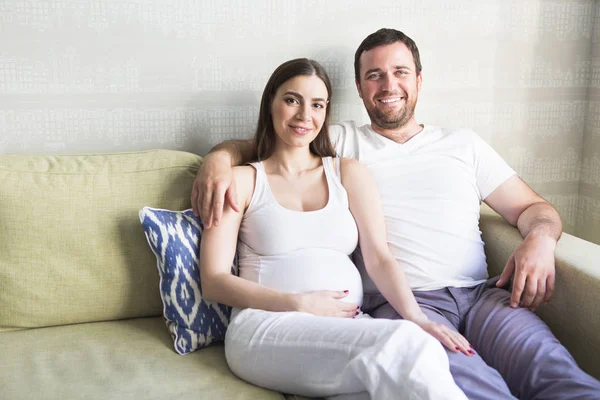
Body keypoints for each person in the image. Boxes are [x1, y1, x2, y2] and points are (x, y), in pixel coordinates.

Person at [194, 29, 600, 399]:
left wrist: (540, 239)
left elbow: (534, 208)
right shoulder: (335, 140)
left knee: (556, 372)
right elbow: (265, 145)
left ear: (419, 80)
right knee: (471, 384)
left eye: (400, 72)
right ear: (359, 86)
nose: (389, 85)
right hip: (404, 302)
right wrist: (217, 161)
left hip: (482, 295)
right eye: (374, 75)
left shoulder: (464, 145)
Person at [199, 57, 468, 400]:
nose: (304, 116)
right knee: (404, 346)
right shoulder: (241, 181)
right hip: (265, 327)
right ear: (271, 103)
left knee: (422, 349)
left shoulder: (349, 174)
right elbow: (214, 281)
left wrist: (417, 317)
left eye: (317, 105)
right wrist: (294, 303)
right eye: (292, 100)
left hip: (345, 326)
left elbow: (379, 257)